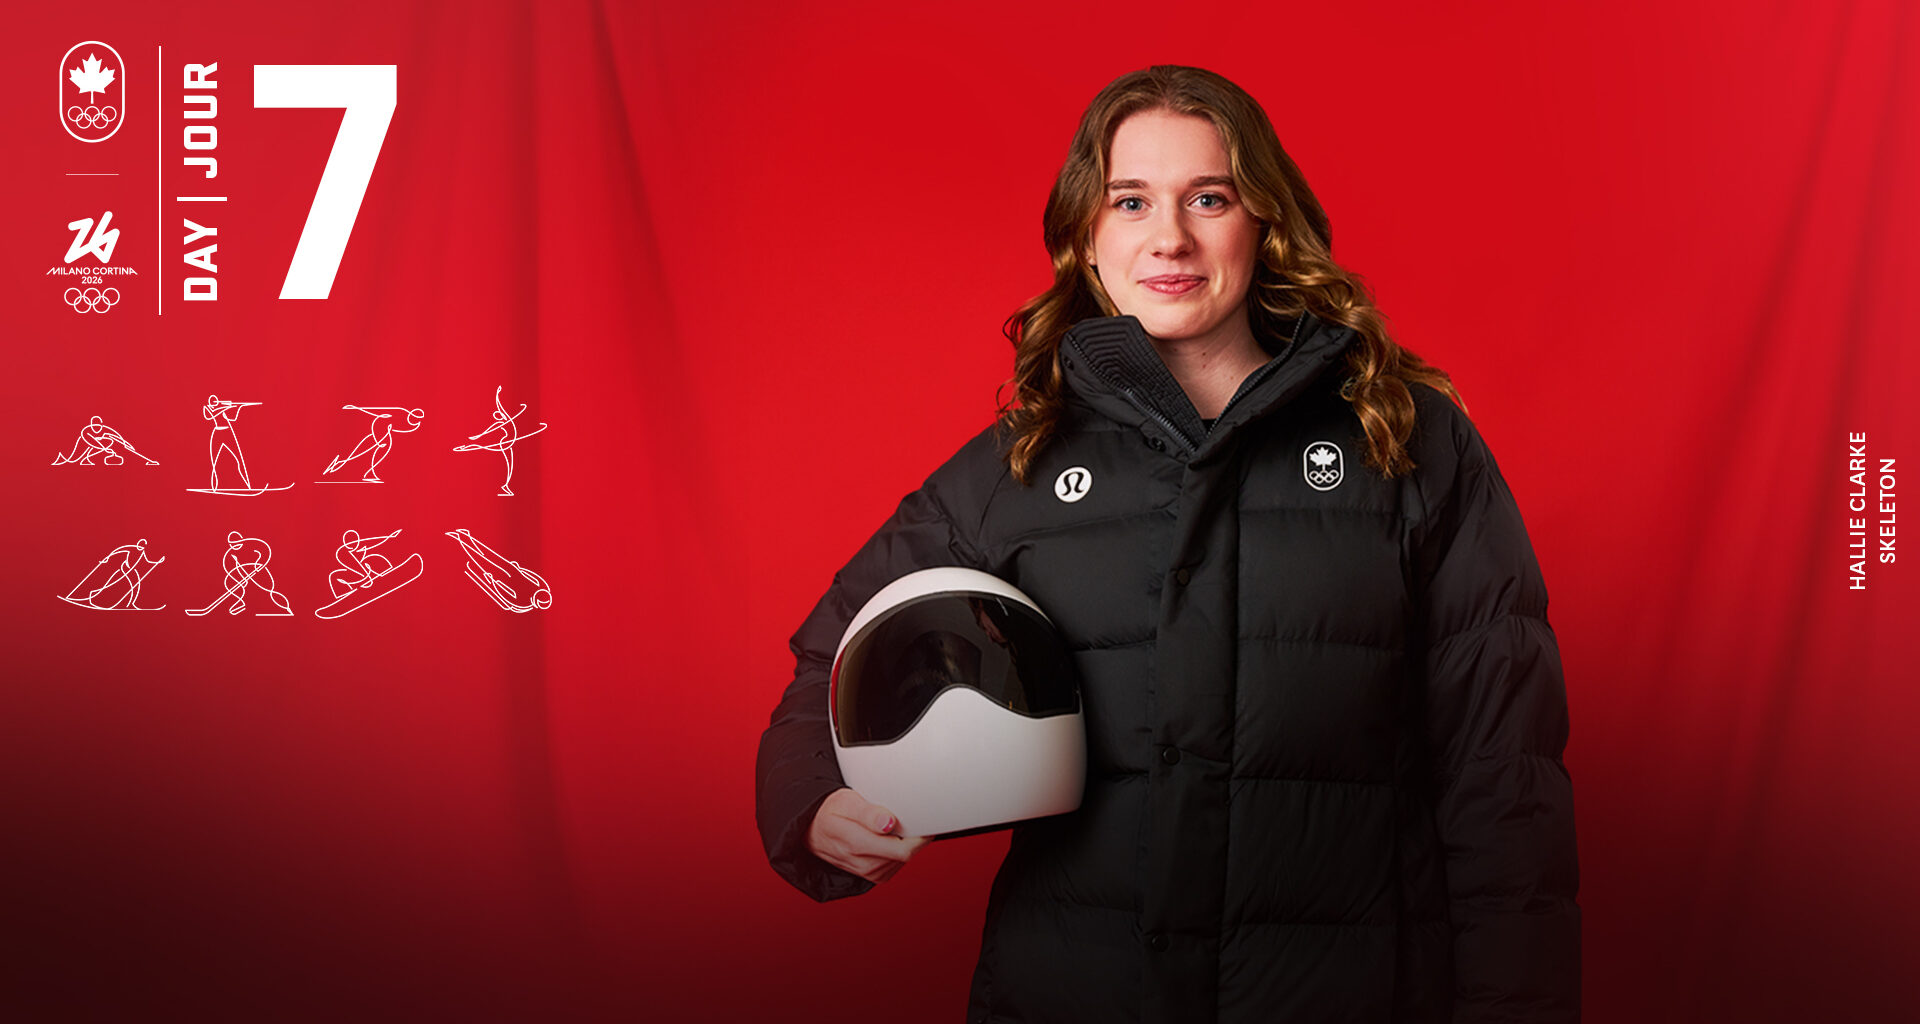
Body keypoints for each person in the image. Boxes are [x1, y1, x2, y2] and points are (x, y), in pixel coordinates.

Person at [755, 65, 1579, 1023]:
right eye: (1132, 201)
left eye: (1209, 198)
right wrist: (816, 802)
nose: (1171, 237)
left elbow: (1503, 774)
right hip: (1073, 991)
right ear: (1088, 240)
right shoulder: (1020, 465)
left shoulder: (1410, 441)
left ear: (1263, 223)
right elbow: (835, 656)